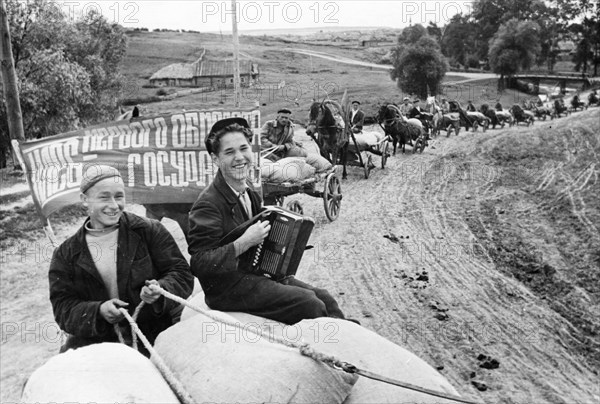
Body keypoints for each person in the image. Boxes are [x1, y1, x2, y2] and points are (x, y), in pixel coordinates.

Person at [188, 117, 350, 325]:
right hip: (228, 288)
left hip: (255, 273)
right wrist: (243, 243)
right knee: (310, 304)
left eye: (243, 149)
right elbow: (199, 262)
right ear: (215, 159)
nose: (239, 158)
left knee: (325, 298)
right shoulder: (208, 204)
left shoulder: (249, 190)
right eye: (229, 152)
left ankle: (345, 342)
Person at [49, 165, 194, 355]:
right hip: (97, 344)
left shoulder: (149, 231)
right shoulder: (66, 253)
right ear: (85, 200)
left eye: (119, 196)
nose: (114, 205)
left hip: (152, 335)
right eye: (104, 197)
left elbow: (182, 274)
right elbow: (63, 309)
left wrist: (160, 290)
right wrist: (99, 311)